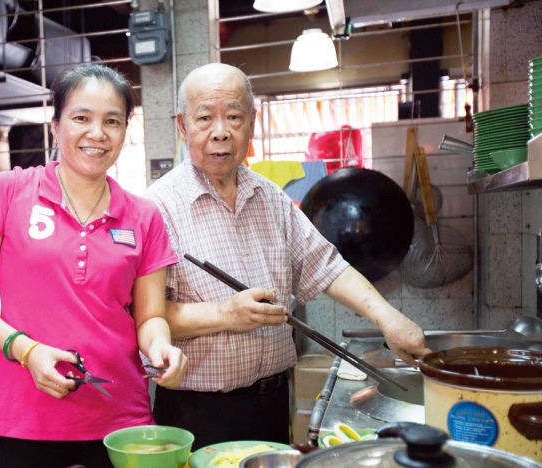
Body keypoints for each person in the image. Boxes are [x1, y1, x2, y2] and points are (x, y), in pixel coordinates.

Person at [145, 63, 430, 449]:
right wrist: (226, 315)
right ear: (182, 126)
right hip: (195, 411)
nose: (220, 132)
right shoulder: (156, 207)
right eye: (204, 118)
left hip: (272, 402)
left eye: (233, 116)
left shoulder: (271, 198)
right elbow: (146, 315)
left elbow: (325, 267)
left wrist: (388, 317)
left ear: (252, 122)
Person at [0, 63, 188, 468]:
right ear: (56, 126)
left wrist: (161, 346)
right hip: (22, 419)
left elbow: (150, 318)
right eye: (81, 118)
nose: (97, 133)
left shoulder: (144, 216)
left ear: (125, 131)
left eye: (112, 121)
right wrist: (26, 351)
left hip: (118, 420)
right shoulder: (10, 192)